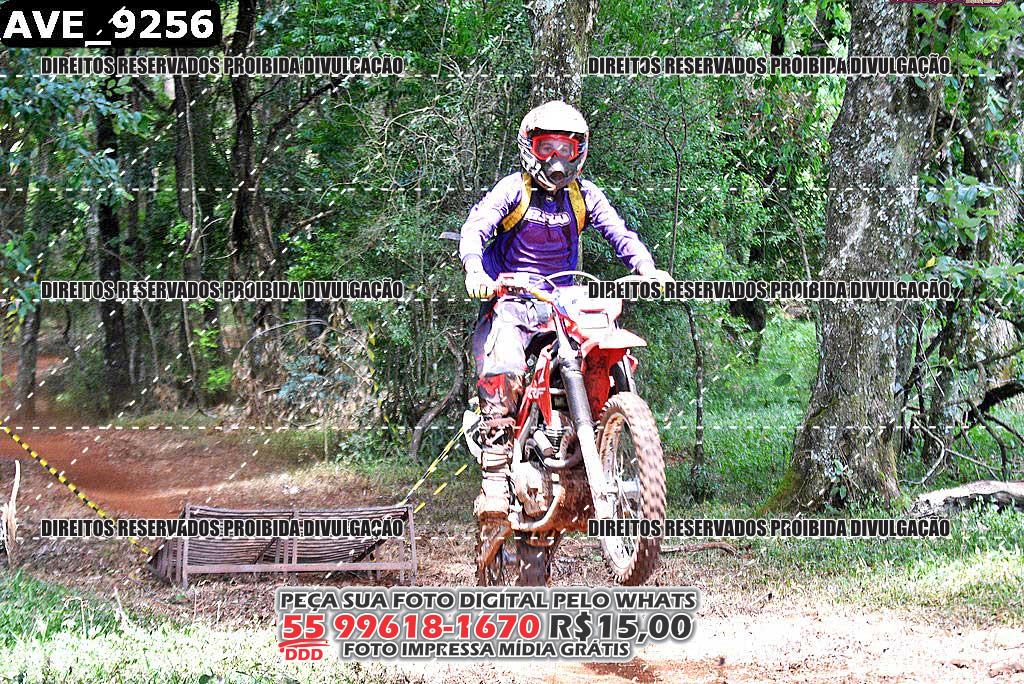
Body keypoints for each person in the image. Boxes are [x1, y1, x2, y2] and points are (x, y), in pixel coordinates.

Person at [458, 100, 671, 521]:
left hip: (565, 300)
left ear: (579, 152)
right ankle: (495, 476)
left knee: (608, 349)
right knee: (503, 363)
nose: (556, 158)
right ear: (529, 148)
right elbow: (476, 227)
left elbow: (619, 233)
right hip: (514, 300)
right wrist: (475, 270)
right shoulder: (513, 190)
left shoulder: (584, 195)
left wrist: (646, 268)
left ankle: (612, 427)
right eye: (546, 148)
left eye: (566, 149)